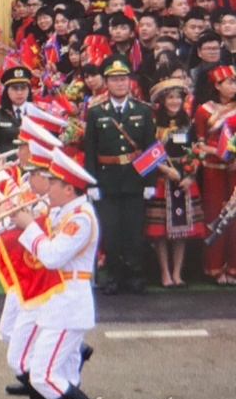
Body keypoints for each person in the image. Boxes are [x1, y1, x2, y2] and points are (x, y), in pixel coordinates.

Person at [8, 149, 124, 399]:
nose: (49, 188)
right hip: (61, 302)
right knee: (62, 377)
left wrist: (29, 227)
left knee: (44, 375)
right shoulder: (70, 213)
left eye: (54, 183)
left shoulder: (81, 218)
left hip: (68, 303)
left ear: (69, 188)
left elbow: (52, 256)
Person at [83, 54, 156, 295]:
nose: (120, 83)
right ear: (106, 82)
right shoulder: (96, 112)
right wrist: (91, 182)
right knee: (111, 232)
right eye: (114, 79)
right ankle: (113, 275)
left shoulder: (142, 111)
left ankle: (134, 275)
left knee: (134, 232)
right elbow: (90, 150)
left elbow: (150, 148)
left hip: (134, 179)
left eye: (123, 79)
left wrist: (150, 181)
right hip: (107, 179)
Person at [145, 80, 205, 288]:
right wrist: (165, 170)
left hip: (184, 180)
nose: (175, 101)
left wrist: (190, 176)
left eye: (178, 97)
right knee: (160, 231)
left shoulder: (188, 124)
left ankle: (177, 273)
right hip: (163, 178)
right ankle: (164, 273)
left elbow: (197, 150)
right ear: (162, 101)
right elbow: (147, 154)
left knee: (182, 232)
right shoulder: (152, 124)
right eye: (170, 97)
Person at [193, 64, 236, 285]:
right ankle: (214, 266)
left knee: (235, 217)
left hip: (235, 169)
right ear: (217, 85)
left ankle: (233, 266)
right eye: (229, 82)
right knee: (215, 215)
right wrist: (219, 152)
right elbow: (198, 145)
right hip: (213, 169)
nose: (233, 87)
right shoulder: (204, 110)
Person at [0, 67, 32, 154]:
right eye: (15, 88)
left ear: (28, 90)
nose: (19, 92)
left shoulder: (37, 114)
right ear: (7, 91)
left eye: (23, 88)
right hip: (6, 163)